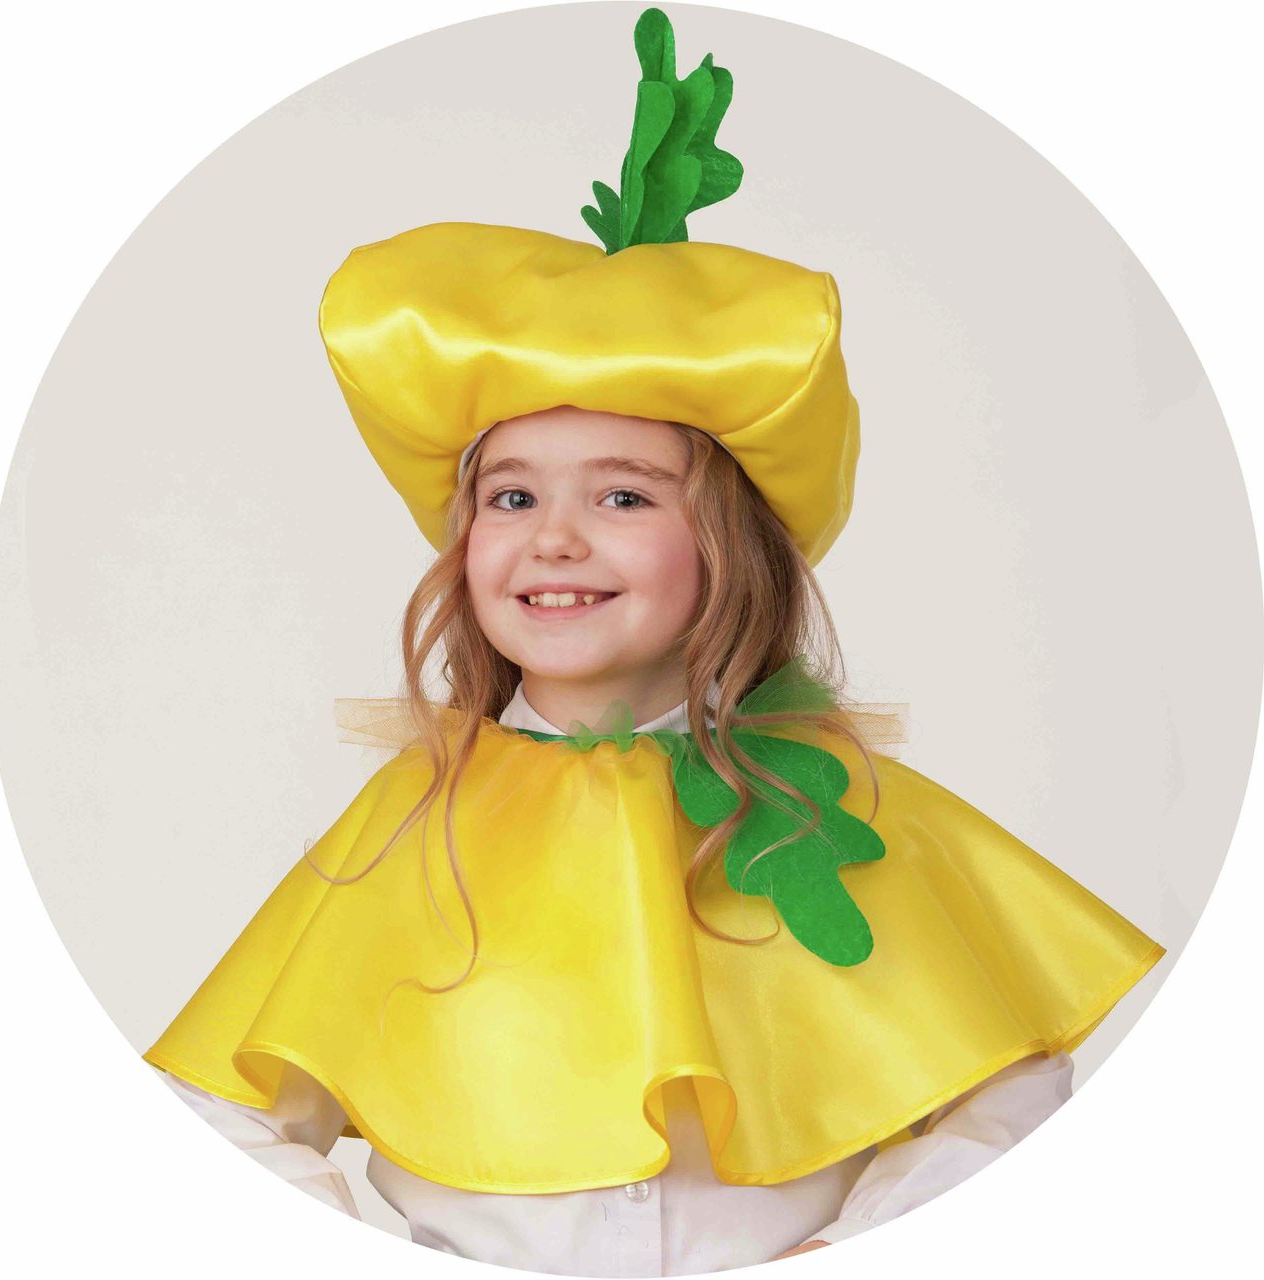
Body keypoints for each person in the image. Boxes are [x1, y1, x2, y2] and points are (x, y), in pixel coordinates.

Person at [143, 8, 1164, 1275]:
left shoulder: (843, 813)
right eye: (511, 496)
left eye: (623, 495)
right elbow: (213, 1114)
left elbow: (1005, 1095)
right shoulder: (412, 828)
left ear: (728, 548)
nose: (554, 538)